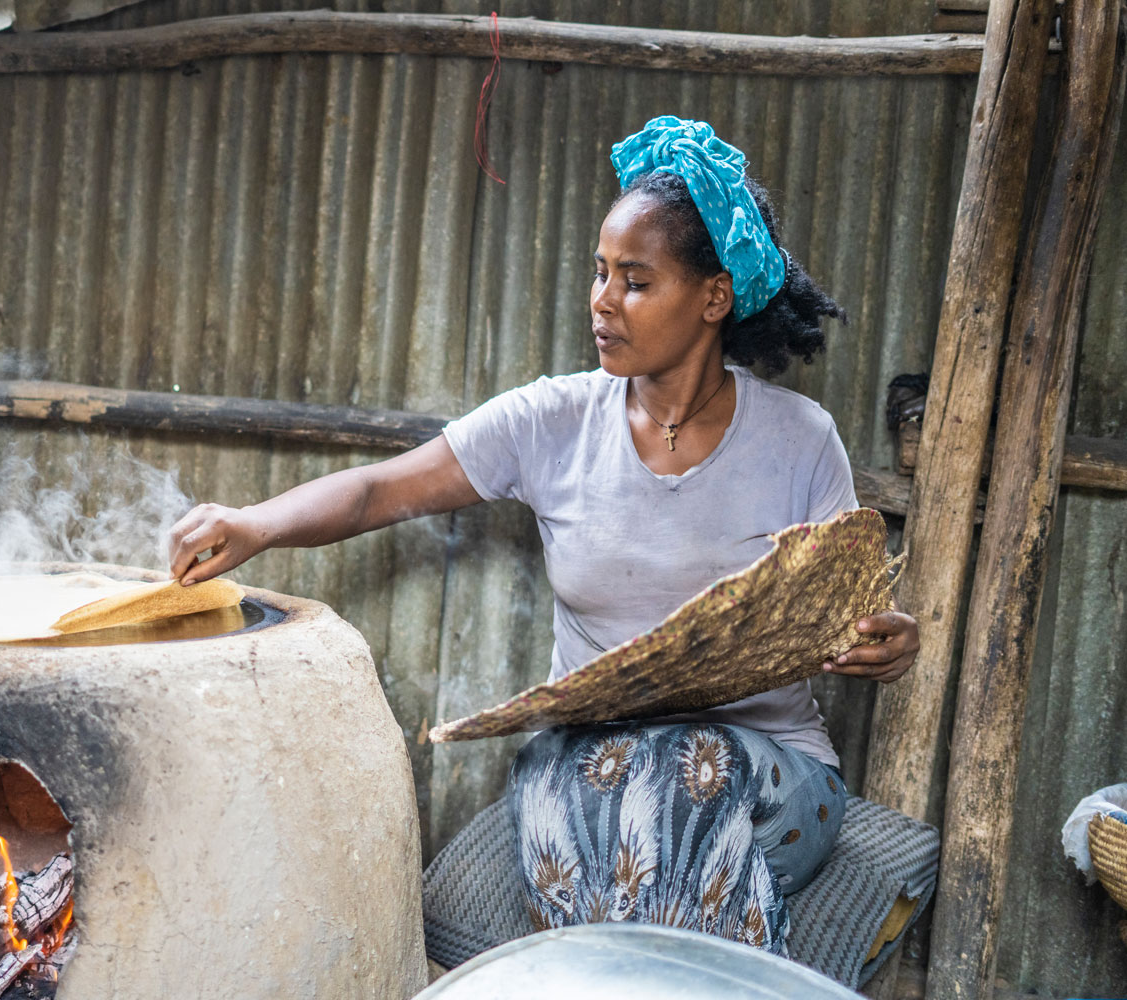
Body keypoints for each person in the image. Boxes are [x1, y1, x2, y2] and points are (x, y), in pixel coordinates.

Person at [166, 116, 919, 957]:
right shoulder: (552, 421)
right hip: (590, 761)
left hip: (770, 775)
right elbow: (381, 487)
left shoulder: (800, 438)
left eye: (635, 281)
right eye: (599, 273)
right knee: (607, 800)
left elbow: (853, 608)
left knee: (681, 783)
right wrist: (255, 522)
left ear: (713, 298)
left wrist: (886, 642)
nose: (601, 302)